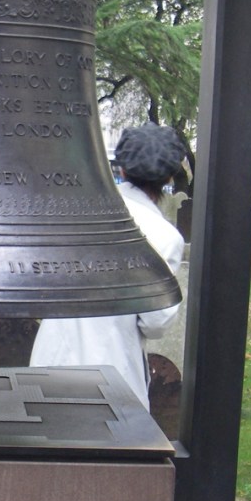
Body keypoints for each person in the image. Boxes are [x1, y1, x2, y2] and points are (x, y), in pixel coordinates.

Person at [29, 122, 185, 409]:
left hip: (51, 361)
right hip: (113, 373)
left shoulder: (75, 213)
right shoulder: (164, 237)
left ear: (121, 170)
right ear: (169, 177)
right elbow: (155, 322)